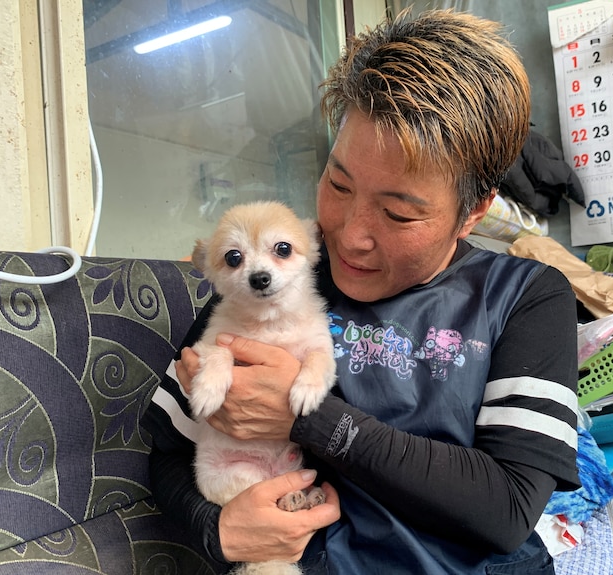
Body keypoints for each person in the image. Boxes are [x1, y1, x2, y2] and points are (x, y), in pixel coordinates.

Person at [143, 8, 580, 574]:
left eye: (398, 214)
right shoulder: (281, 275)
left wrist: (307, 419)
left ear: (473, 212)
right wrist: (217, 531)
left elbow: (508, 509)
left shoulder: (526, 296)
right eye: (338, 182)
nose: (350, 235)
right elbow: (171, 451)